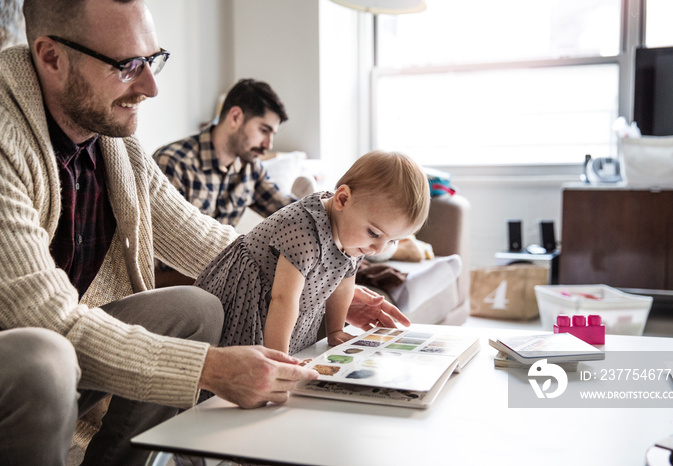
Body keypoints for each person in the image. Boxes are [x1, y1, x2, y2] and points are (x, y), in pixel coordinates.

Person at [0, 0, 404, 464]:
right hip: (23, 360)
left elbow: (199, 236)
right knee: (43, 359)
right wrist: (207, 368)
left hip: (63, 348)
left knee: (196, 308)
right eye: (128, 65)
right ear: (51, 57)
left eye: (152, 60)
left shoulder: (112, 137)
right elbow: (45, 320)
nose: (151, 86)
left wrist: (312, 276)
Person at [195, 150, 430, 358]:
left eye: (392, 241)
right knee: (249, 364)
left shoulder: (353, 235)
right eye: (374, 233)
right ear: (342, 199)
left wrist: (335, 331)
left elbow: (343, 285)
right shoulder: (302, 231)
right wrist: (280, 359)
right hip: (248, 297)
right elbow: (283, 300)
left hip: (283, 299)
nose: (378, 249)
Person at [151, 78, 294, 287]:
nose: (268, 144)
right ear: (235, 117)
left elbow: (289, 211)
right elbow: (169, 248)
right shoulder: (173, 162)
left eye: (272, 134)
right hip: (167, 278)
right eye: (264, 130)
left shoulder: (250, 168)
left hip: (220, 273)